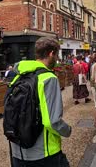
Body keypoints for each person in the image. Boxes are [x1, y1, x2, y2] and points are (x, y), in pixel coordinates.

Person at [9, 37, 71, 166]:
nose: (57, 59)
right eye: (57, 55)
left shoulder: (18, 76)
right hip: (44, 153)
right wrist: (67, 130)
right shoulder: (48, 78)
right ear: (51, 53)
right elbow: (52, 121)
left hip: (17, 151)